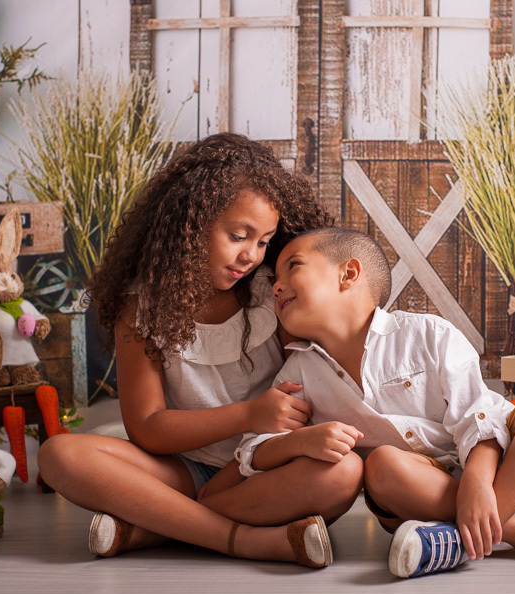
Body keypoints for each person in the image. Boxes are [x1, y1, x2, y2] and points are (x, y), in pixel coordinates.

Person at [37, 134, 363, 569]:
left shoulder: (273, 292)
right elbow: (148, 430)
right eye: (238, 235)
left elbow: (312, 381)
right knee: (59, 455)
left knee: (343, 475)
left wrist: (278, 431)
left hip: (265, 468)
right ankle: (242, 540)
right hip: (180, 471)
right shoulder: (142, 307)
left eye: (264, 241)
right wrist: (248, 414)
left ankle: (154, 527)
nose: (251, 255)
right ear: (188, 225)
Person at [235, 227, 515, 578]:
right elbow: (252, 451)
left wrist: (477, 479)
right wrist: (298, 441)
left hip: (508, 464)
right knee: (380, 465)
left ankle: (455, 541)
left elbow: (478, 418)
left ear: (348, 274)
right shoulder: (299, 370)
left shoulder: (427, 333)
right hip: (415, 494)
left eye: (292, 268)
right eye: (274, 280)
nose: (276, 286)